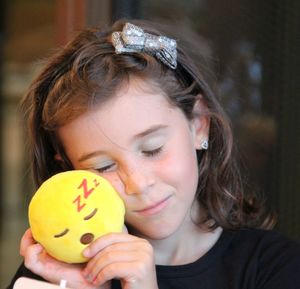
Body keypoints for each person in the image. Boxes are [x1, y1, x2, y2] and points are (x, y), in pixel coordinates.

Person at [6, 19, 300, 289]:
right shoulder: (54, 272)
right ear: (70, 171)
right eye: (104, 166)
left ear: (198, 125)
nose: (137, 183)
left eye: (152, 149)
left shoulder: (274, 267)